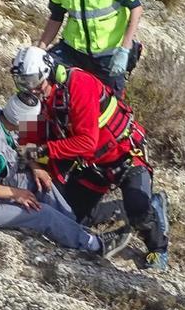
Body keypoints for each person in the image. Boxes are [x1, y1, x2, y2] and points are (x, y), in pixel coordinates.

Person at [11, 46, 169, 269]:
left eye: (33, 80)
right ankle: (120, 209)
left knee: (140, 212)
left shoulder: (79, 85)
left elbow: (86, 141)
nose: (29, 88)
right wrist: (35, 165)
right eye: (23, 82)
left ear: (47, 72)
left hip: (124, 155)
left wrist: (44, 151)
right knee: (70, 218)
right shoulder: (36, 97)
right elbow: (28, 137)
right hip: (92, 166)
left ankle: (158, 247)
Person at [0, 92, 131, 258]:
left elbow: (21, 143)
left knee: (43, 184)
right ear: (21, 121)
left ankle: (75, 229)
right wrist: (16, 194)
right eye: (32, 121)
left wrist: (35, 166)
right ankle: (95, 245)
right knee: (43, 214)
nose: (34, 125)